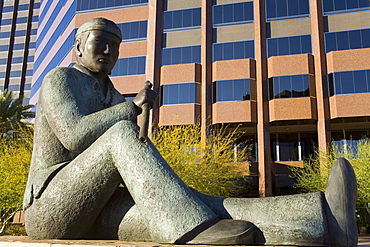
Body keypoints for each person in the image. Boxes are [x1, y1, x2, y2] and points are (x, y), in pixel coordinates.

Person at [23, 18, 358, 246]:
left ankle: (322, 219)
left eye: (116, 46)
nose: (110, 52)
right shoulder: (60, 79)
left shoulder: (110, 91)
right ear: (79, 48)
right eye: (101, 43)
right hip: (51, 210)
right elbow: (75, 136)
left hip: (98, 208)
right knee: (125, 138)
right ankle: (187, 228)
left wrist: (136, 121)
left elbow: (131, 156)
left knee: (200, 205)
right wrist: (132, 108)